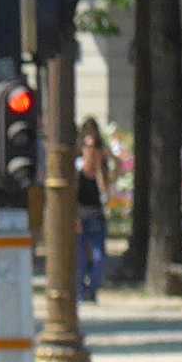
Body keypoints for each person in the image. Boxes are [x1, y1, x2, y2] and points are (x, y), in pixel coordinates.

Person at [75, 118, 112, 302]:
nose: (91, 150)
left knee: (99, 258)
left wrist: (98, 168)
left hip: (96, 218)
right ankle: (81, 292)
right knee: (80, 260)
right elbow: (72, 198)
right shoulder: (77, 170)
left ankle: (91, 290)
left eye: (95, 146)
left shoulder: (101, 171)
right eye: (87, 146)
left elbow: (105, 194)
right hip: (80, 218)